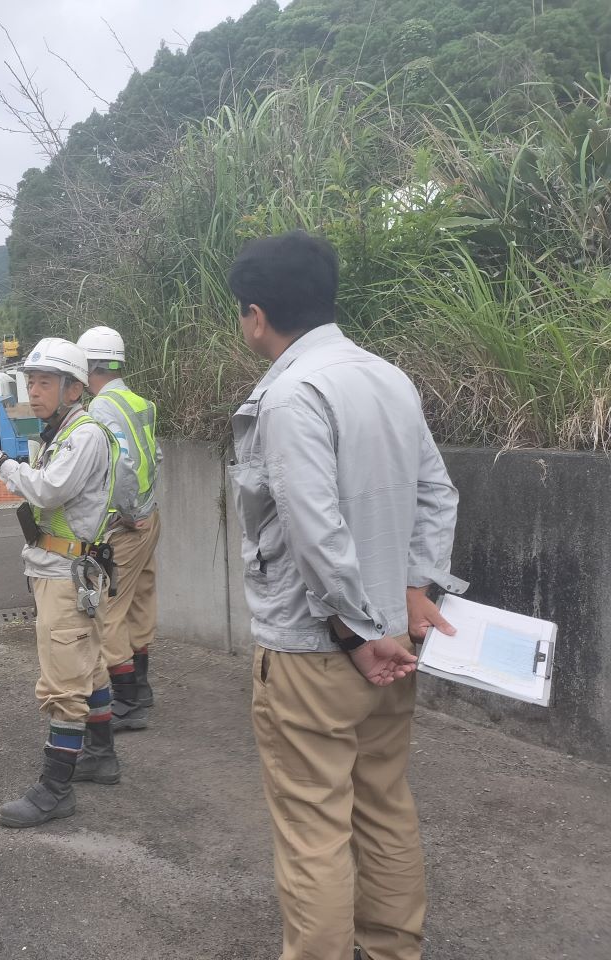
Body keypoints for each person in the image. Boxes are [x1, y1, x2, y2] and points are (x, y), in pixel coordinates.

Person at [226, 231, 465, 960]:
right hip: (394, 638)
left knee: (314, 830)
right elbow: (437, 492)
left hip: (319, 650)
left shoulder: (293, 394)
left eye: (242, 313)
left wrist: (357, 634)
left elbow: (312, 526)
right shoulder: (388, 377)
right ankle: (394, 950)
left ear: (257, 315)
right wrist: (416, 591)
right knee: (385, 806)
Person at [0, 337, 121, 827]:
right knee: (89, 666)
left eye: (44, 383)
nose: (33, 391)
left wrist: (1, 463)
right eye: (30, 381)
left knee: (63, 683)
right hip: (63, 570)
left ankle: (55, 787)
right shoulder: (62, 432)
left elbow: (49, 489)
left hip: (66, 574)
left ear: (74, 388)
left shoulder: (83, 436)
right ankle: (100, 755)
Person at [75, 325, 161, 736]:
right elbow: (154, 454)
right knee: (141, 600)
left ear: (88, 367)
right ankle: (140, 688)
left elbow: (122, 465)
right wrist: (144, 506)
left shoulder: (100, 411)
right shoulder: (139, 402)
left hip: (127, 525)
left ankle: (126, 700)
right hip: (150, 517)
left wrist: (127, 512)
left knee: (109, 612)